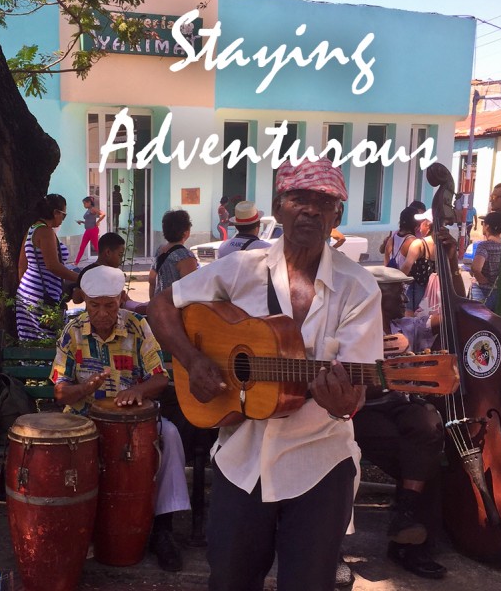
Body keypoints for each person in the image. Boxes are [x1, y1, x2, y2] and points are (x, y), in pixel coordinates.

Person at [147, 157, 383, 591]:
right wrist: (192, 359)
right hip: (242, 458)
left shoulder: (358, 288)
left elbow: (354, 395)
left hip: (320, 463)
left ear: (337, 215)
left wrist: (343, 403)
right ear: (278, 206)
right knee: (230, 581)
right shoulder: (241, 269)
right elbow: (161, 305)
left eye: (324, 202)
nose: (311, 210)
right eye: (299, 198)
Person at [51, 265, 190, 572]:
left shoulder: (138, 326)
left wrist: (139, 390)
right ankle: (78, 530)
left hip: (133, 423)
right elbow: (60, 392)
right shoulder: (72, 332)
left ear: (121, 299)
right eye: (94, 305)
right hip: (83, 419)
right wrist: (85, 388)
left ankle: (163, 529)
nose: (102, 313)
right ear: (85, 301)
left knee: (171, 436)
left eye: (110, 305)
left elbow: (160, 378)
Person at [350, 266, 447, 580]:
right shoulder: (353, 330)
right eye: (398, 292)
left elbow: (446, 317)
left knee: (430, 427)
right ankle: (409, 545)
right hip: (364, 410)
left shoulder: (406, 325)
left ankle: (404, 519)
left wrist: (412, 354)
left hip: (401, 404)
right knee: (423, 463)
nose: (406, 296)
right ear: (376, 295)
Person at [16, 194, 79, 342]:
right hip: (43, 297)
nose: (63, 219)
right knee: (49, 343)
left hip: (26, 294)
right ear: (55, 212)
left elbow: (21, 265)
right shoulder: (46, 232)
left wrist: (27, 291)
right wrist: (80, 278)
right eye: (64, 215)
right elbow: (52, 265)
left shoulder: (32, 229)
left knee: (30, 343)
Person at [148, 209, 197, 298]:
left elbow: (152, 281)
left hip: (158, 307)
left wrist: (153, 304)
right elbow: (190, 290)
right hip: (174, 309)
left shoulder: (160, 250)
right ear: (186, 232)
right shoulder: (186, 257)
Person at [401, 208, 436, 316]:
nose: (418, 226)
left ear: (427, 225)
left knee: (412, 317)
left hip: (418, 290)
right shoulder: (443, 244)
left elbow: (406, 267)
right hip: (436, 291)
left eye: (421, 223)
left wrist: (396, 282)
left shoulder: (419, 244)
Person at [470, 211, 501, 311]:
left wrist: (482, 280)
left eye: (483, 223)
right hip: (498, 292)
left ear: (487, 227)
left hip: (483, 291)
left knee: (478, 322)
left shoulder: (484, 245)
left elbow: (476, 268)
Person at [74, 196, 105, 266]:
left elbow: (103, 214)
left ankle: (104, 261)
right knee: (82, 247)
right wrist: (81, 222)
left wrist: (98, 222)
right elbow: (89, 221)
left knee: (97, 247)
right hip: (88, 231)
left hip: (93, 230)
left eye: (85, 203)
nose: (84, 205)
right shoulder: (88, 210)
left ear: (89, 203)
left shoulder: (93, 209)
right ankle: (76, 263)